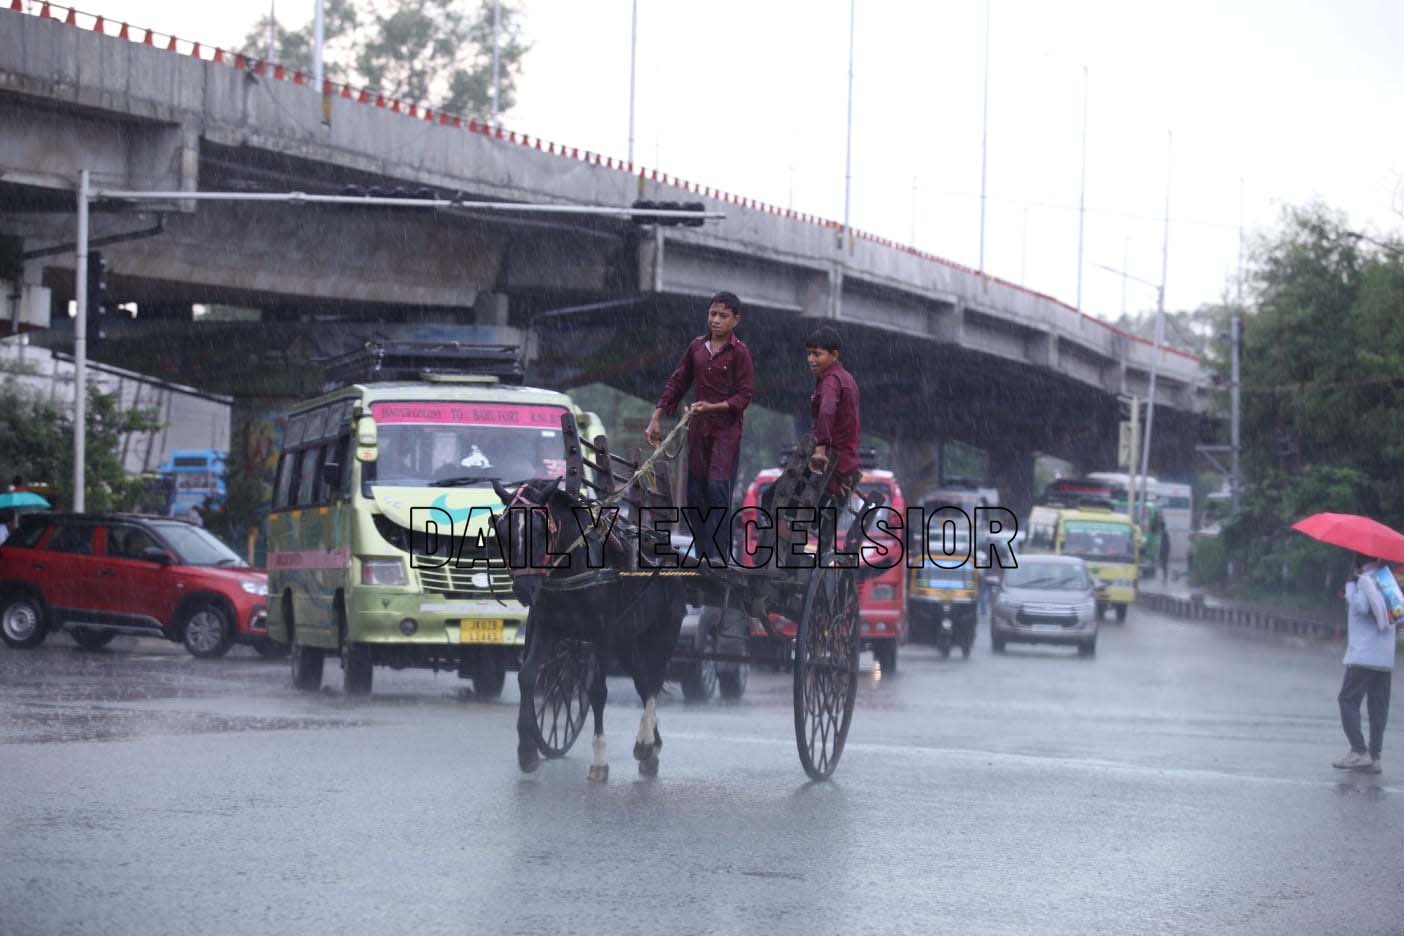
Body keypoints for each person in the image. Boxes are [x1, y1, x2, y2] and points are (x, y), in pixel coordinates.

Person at [646, 291, 754, 562]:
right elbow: (678, 382)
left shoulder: (740, 352)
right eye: (712, 314)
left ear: (735, 320)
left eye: (723, 316)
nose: (716, 320)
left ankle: (719, 556)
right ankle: (704, 552)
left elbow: (744, 397)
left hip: (726, 431)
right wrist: (656, 417)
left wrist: (711, 407)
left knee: (717, 490)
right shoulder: (696, 347)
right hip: (698, 430)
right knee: (694, 493)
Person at [1333, 553, 1396, 773]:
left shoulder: (1363, 581)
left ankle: (1359, 751)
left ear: (1358, 559)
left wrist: (1351, 586)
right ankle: (1375, 756)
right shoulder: (1387, 580)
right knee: (1378, 707)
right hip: (1385, 658)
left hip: (1363, 655)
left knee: (1347, 700)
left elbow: (1361, 608)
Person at [805, 326, 861, 558]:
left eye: (818, 354)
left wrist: (820, 449)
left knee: (777, 504)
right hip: (844, 463)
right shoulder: (846, 379)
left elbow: (827, 411)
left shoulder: (831, 381)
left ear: (834, 355)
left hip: (831, 465)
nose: (811, 359)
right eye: (809, 353)